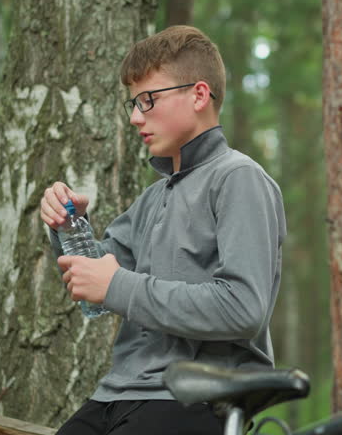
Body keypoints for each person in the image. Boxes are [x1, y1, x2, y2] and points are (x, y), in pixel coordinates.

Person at [40, 25, 286, 435]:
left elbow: (244, 308)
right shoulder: (152, 199)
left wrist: (117, 285)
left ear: (199, 95)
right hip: (114, 396)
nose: (136, 117)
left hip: (193, 399)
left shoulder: (239, 178)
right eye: (133, 104)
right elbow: (98, 294)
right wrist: (69, 226)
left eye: (148, 100)